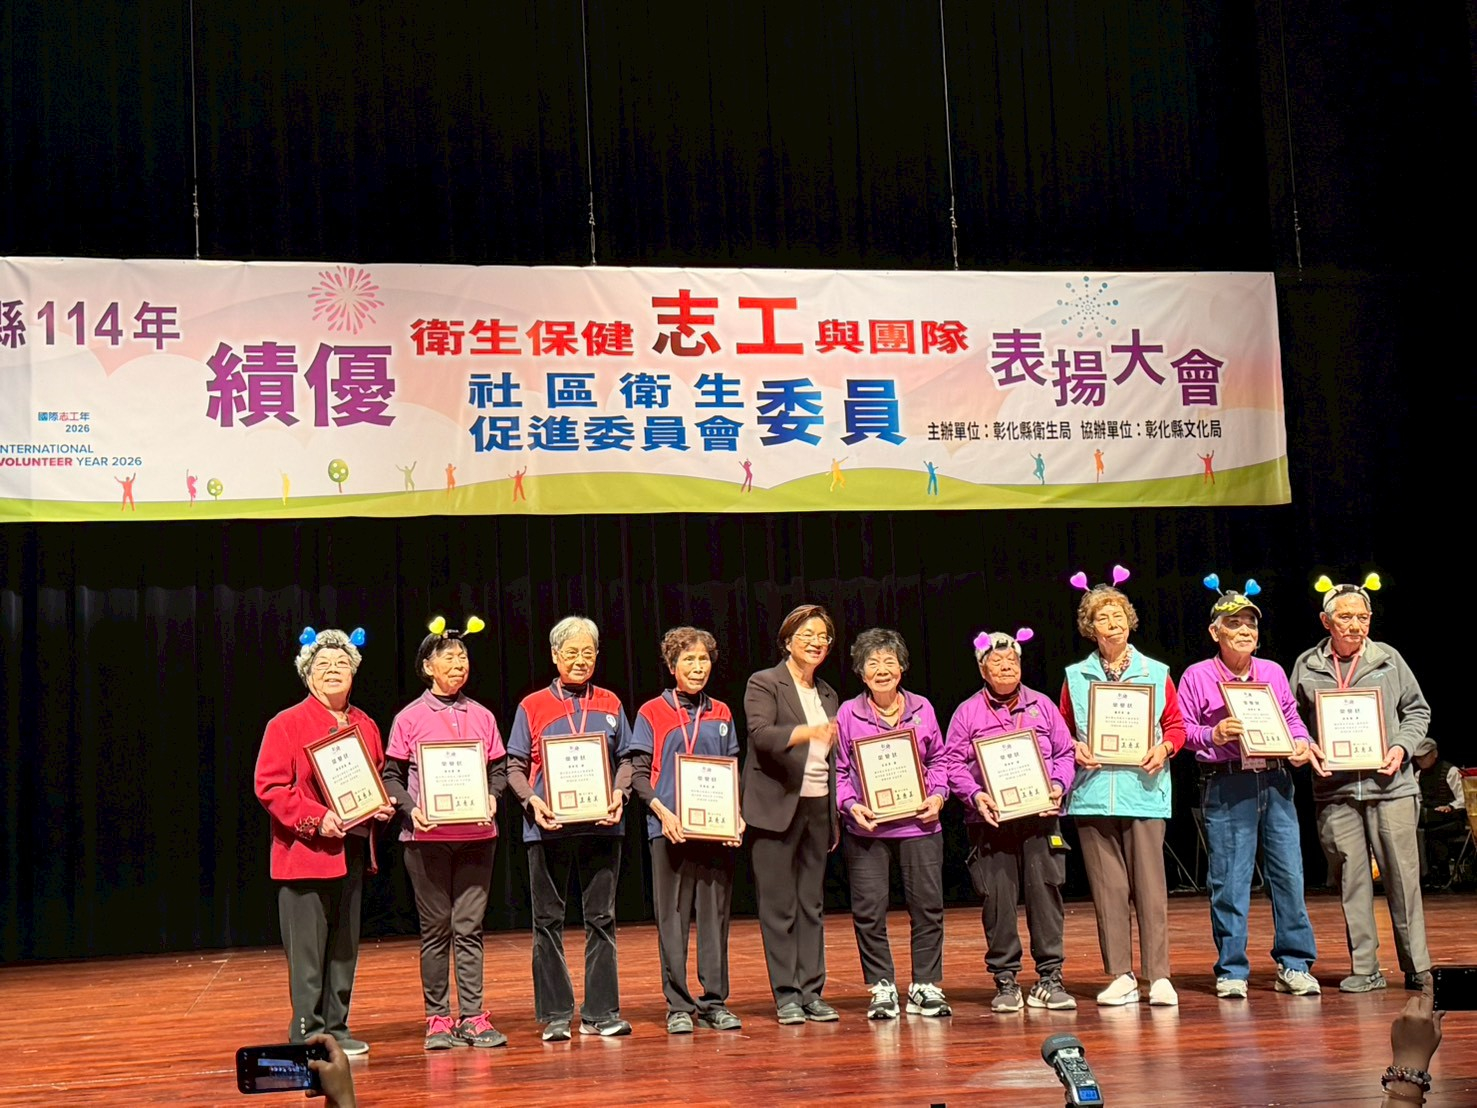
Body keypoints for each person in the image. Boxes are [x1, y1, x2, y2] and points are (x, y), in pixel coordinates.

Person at [1178, 577, 1328, 1000]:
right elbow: (1182, 730)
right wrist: (1213, 734)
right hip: (1228, 784)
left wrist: (1302, 743)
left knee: (1289, 876)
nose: (1245, 630)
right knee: (1229, 880)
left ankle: (1294, 964)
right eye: (1235, 623)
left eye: (1251, 623)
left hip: (1276, 781)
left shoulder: (1273, 672)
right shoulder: (1197, 675)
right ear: (1215, 632)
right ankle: (1232, 969)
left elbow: (1291, 719)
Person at [254, 627, 391, 1054]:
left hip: (352, 850)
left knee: (344, 949)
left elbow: (377, 777)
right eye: (324, 665)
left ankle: (338, 1028)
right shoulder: (286, 723)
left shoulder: (366, 724)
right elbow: (270, 787)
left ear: (354, 673)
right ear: (308, 674)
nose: (333, 670)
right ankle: (308, 1032)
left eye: (342, 664)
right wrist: (317, 819)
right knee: (308, 954)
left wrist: (381, 805)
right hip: (305, 854)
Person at [1292, 574, 1433, 993]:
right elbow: (1292, 717)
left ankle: (1417, 966)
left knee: (1403, 879)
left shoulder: (1389, 659)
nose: (1355, 625)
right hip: (1335, 791)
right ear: (1326, 621)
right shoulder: (1307, 665)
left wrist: (1402, 748)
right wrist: (1306, 744)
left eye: (1363, 617)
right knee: (1352, 881)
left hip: (1391, 786)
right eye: (1346, 617)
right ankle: (1365, 968)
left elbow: (1418, 712)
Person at [1059, 567, 1187, 1007]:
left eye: (1118, 616)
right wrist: (1074, 746)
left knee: (1150, 889)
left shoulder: (1156, 671)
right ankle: (1121, 975)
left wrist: (1165, 748)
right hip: (1093, 794)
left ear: (1130, 621)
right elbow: (1061, 731)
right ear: (1089, 627)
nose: (1112, 624)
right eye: (1102, 618)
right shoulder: (1076, 676)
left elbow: (1176, 726)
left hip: (1143, 791)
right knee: (1108, 890)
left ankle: (1159, 976)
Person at [382, 616, 509, 1050]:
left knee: (469, 927)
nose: (459, 664)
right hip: (426, 840)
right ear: (427, 667)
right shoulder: (409, 718)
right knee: (436, 929)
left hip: (477, 837)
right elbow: (391, 776)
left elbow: (499, 769)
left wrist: (492, 795)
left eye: (463, 657)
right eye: (449, 658)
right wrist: (412, 809)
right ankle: (437, 1018)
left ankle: (472, 1016)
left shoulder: (483, 716)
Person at [506, 615, 633, 1040]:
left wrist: (620, 794)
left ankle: (601, 1013)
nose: (581, 660)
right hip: (549, 826)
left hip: (602, 825)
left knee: (602, 918)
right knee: (547, 920)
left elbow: (628, 759)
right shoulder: (531, 705)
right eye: (572, 652)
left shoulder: (611, 702)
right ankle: (557, 1015)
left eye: (588, 653)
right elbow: (514, 765)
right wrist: (532, 800)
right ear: (555, 656)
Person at [620, 626, 745, 1035]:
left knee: (715, 918)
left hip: (714, 832)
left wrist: (736, 814)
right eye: (688, 659)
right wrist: (662, 812)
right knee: (672, 919)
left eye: (703, 659)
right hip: (669, 830)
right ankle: (677, 1004)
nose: (697, 667)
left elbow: (731, 771)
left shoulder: (722, 712)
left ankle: (715, 1002)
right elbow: (639, 775)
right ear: (672, 666)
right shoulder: (651, 712)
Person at [946, 627, 1077, 1013]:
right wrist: (975, 795)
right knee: (998, 901)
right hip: (990, 821)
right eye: (996, 661)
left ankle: (1050, 977)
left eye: (1012, 660)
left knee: (1045, 895)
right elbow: (952, 762)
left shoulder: (1042, 705)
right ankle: (1005, 980)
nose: (1006, 666)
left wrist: (1058, 785)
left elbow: (1065, 753)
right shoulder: (967, 712)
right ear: (982, 670)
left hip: (1040, 817)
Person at [835, 627, 951, 1020]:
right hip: (868, 830)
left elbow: (940, 760)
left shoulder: (923, 708)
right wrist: (850, 805)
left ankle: (925, 985)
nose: (882, 670)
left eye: (889, 661)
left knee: (927, 907)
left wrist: (938, 796)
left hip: (920, 825)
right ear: (861, 672)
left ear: (902, 667)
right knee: (869, 910)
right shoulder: (848, 713)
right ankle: (881, 986)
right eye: (873, 663)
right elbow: (839, 771)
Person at [743, 603, 842, 1024]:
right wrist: (807, 731)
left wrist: (833, 816)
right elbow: (762, 736)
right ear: (787, 641)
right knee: (779, 906)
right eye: (808, 635)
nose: (817, 643)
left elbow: (832, 760)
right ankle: (786, 995)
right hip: (775, 808)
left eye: (824, 637)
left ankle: (812, 992)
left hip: (817, 805)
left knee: (811, 904)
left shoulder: (828, 693)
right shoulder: (764, 683)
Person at [1414, 739, 1467, 887]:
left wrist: (1450, 807)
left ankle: (1442, 873)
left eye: (1424, 756)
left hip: (1453, 819)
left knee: (1433, 833)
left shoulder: (1450, 771)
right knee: (1419, 830)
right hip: (1431, 817)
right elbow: (1418, 799)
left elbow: (1463, 798)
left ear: (1435, 754)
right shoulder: (1418, 775)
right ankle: (1425, 873)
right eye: (1418, 758)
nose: (1421, 761)